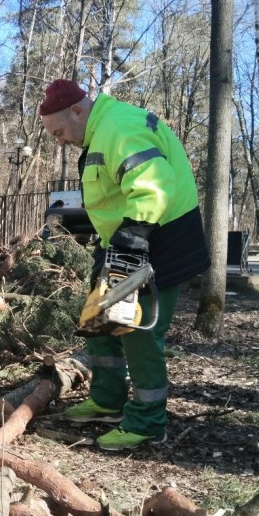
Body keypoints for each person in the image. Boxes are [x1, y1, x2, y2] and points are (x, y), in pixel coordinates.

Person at [39, 79, 210, 451]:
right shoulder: (100, 130)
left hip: (157, 239)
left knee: (139, 332)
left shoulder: (118, 127)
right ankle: (107, 400)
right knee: (103, 321)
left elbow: (154, 185)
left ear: (77, 111)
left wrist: (134, 234)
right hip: (125, 242)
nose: (61, 141)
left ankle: (147, 423)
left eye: (60, 131)